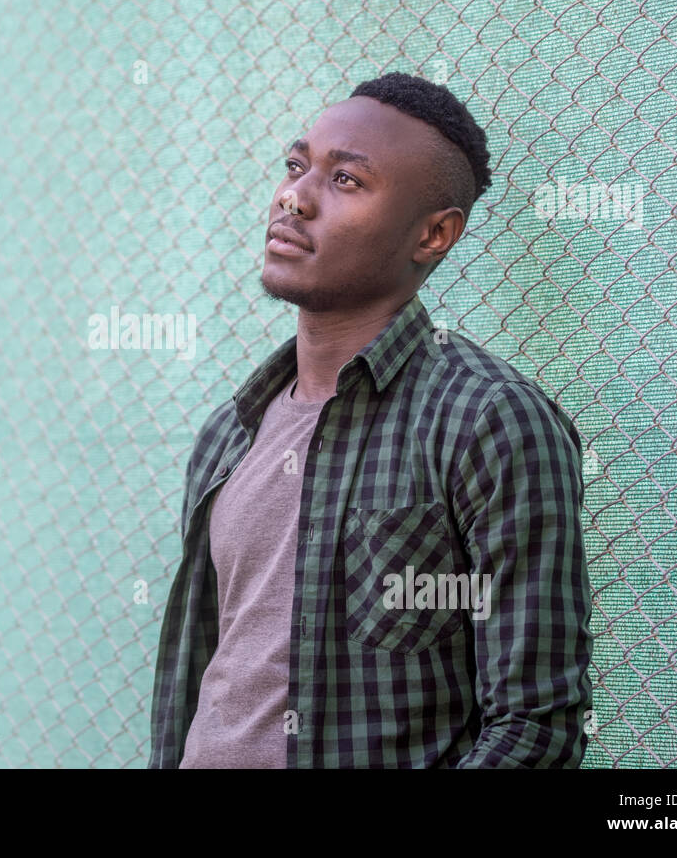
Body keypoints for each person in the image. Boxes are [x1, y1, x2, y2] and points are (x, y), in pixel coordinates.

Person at [148, 71, 594, 768]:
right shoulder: (228, 433)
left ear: (434, 234)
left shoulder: (488, 421)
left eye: (346, 181)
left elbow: (535, 728)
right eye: (297, 167)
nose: (294, 196)